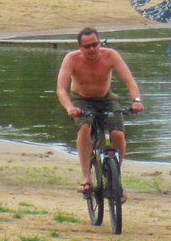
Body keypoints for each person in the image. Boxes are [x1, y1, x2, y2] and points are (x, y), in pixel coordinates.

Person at [56, 27, 144, 202]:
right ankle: (86, 177)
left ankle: (115, 180)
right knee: (84, 129)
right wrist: (69, 108)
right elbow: (61, 89)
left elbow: (129, 80)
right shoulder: (71, 59)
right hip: (81, 99)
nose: (92, 50)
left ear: (99, 43)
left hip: (106, 98)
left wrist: (136, 100)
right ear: (79, 47)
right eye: (87, 46)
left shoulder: (110, 55)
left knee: (118, 134)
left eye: (95, 45)